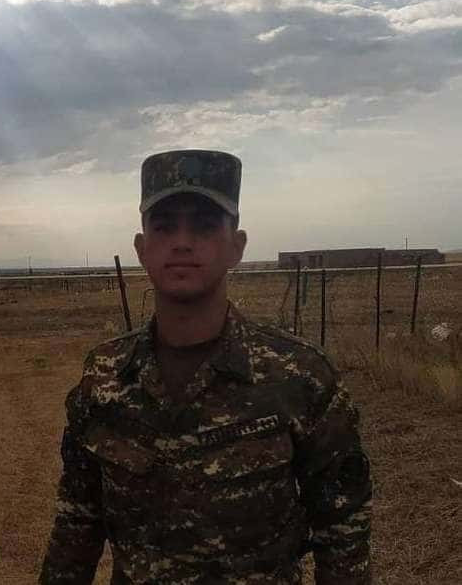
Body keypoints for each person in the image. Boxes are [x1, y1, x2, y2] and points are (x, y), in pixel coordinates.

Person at [39, 150, 372, 584]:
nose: (182, 242)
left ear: (237, 246)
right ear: (141, 248)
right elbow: (77, 524)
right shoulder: (105, 375)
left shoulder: (299, 375)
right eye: (164, 226)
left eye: (204, 225)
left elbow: (343, 530)